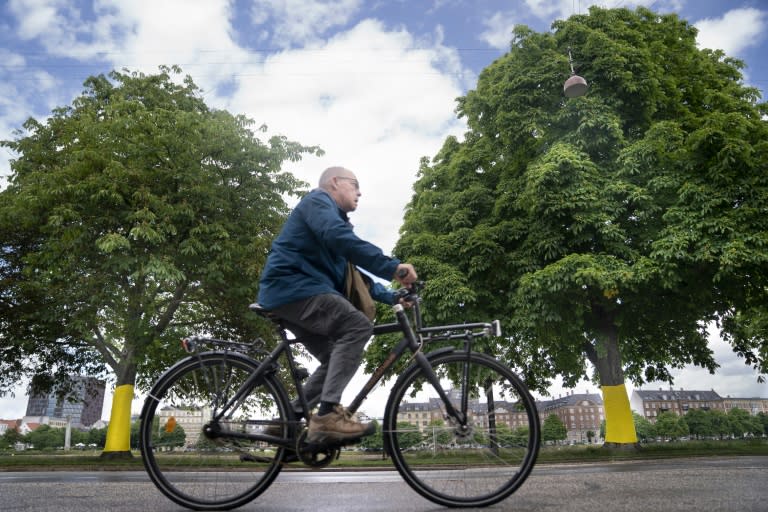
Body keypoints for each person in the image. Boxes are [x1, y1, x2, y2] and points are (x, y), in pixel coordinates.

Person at [257, 166, 418, 443]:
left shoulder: (334, 223)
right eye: (355, 185)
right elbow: (338, 237)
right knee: (357, 326)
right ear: (334, 183)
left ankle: (288, 419)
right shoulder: (318, 202)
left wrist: (392, 295)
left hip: (295, 293)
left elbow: (354, 278)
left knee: (334, 359)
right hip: (292, 288)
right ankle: (328, 416)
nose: (360, 192)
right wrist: (392, 267)